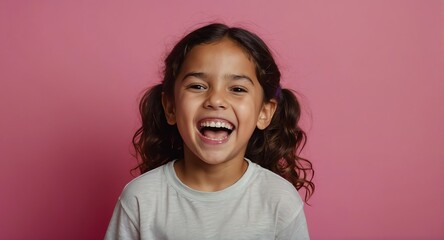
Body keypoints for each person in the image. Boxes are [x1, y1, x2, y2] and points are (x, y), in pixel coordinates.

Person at [105, 23, 314, 240]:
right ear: (170, 107)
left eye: (237, 89)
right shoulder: (140, 198)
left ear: (264, 112)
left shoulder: (279, 201)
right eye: (197, 86)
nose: (215, 100)